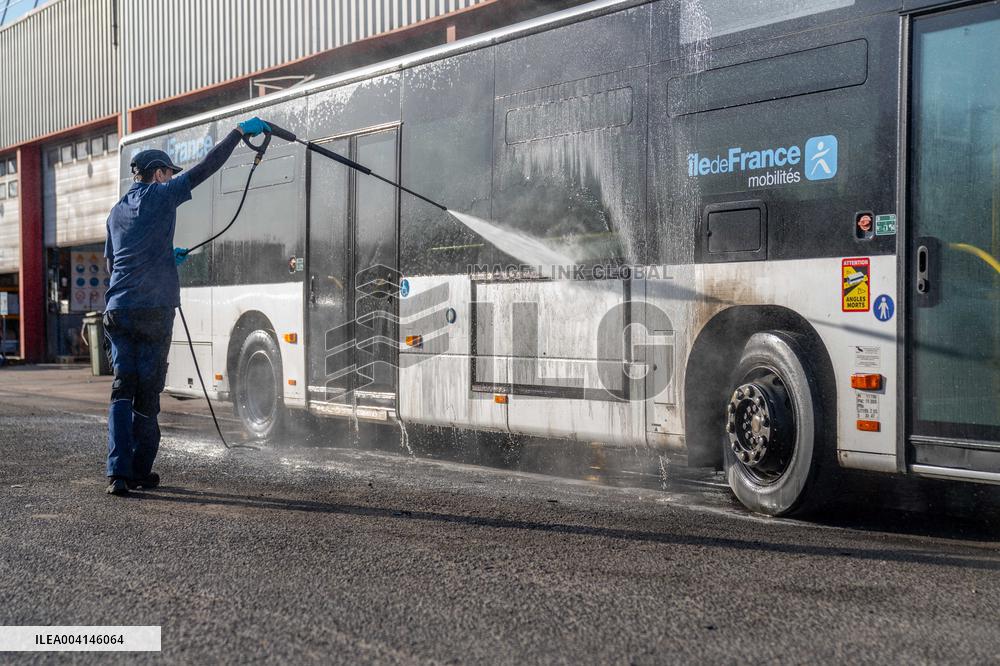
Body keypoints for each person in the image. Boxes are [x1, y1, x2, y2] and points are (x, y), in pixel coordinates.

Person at [102, 116, 270, 496]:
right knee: (146, 394)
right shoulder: (163, 195)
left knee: (120, 390)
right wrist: (238, 134)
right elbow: (205, 168)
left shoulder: (115, 212)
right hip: (153, 312)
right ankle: (140, 470)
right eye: (168, 172)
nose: (170, 177)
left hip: (118, 310)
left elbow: (114, 263)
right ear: (158, 173)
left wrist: (162, 258)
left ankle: (118, 474)